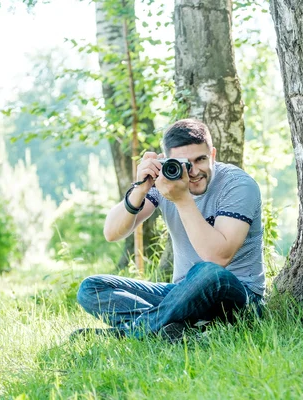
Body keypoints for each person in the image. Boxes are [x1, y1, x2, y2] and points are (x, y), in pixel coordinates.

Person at [74, 119, 265, 340]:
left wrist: (182, 199)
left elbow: (218, 257)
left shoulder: (237, 185)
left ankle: (129, 334)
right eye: (184, 163)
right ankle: (174, 328)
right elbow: (112, 233)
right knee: (92, 288)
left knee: (207, 273)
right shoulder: (166, 179)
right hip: (181, 294)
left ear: (212, 155)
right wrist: (140, 188)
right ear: (168, 161)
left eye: (201, 159)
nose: (193, 171)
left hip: (239, 296)